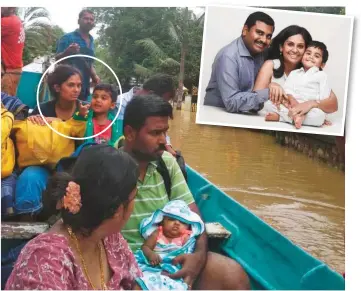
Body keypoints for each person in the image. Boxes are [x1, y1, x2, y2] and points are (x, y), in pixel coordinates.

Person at [121, 95, 250, 290]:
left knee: (233, 276)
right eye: (156, 133)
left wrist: (196, 259)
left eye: (165, 132)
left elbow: (194, 219)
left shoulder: (166, 162)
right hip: (125, 259)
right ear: (130, 133)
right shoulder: (109, 168)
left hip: (171, 253)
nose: (164, 141)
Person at [6, 145, 142, 290]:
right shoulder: (46, 260)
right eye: (134, 197)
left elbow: (136, 283)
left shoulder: (109, 238)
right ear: (117, 210)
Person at [15, 64, 83, 216]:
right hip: (44, 165)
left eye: (79, 85)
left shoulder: (84, 112)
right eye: (71, 85)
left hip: (75, 168)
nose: (76, 89)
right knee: (29, 177)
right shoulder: (43, 109)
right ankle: (27, 221)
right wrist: (32, 121)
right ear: (57, 88)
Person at [253, 25, 338, 120]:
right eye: (290, 44)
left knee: (318, 116)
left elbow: (333, 105)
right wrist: (270, 86)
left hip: (301, 119)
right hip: (272, 115)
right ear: (281, 47)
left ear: (306, 49)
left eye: (300, 46)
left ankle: (294, 118)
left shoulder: (310, 72)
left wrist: (311, 104)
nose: (295, 50)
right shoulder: (271, 65)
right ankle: (286, 117)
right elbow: (255, 100)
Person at [204, 11, 274, 113]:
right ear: (245, 30)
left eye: (268, 36)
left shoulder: (261, 51)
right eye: (259, 33)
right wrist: (269, 93)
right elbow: (231, 102)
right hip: (217, 114)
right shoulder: (228, 56)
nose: (264, 40)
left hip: (244, 114)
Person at [135, 200, 204, 290]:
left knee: (177, 285)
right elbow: (145, 247)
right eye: (171, 219)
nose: (177, 223)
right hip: (153, 265)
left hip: (172, 268)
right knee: (141, 281)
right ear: (162, 221)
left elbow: (188, 253)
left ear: (188, 226)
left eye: (182, 222)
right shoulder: (157, 233)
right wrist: (151, 254)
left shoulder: (186, 238)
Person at [264, 41, 332, 129]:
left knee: (319, 117)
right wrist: (291, 101)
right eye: (308, 53)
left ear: (322, 65)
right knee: (268, 104)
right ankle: (297, 118)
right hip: (290, 105)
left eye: (316, 56)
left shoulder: (322, 76)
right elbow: (287, 91)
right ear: (303, 56)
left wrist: (324, 116)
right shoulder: (294, 73)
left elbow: (324, 97)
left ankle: (281, 118)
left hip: (309, 109)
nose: (311, 57)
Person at [118, 73, 177, 156]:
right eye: (163, 100)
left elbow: (159, 128)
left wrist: (167, 145)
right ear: (151, 94)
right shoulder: (120, 103)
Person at [55, 9, 100, 101]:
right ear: (79, 21)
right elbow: (57, 60)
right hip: (68, 85)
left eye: (91, 19)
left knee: (80, 113)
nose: (89, 21)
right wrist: (67, 52)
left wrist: (95, 77)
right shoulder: (67, 38)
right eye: (86, 18)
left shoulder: (91, 40)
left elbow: (89, 62)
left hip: (84, 87)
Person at [1, 7, 25, 96]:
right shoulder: (15, 20)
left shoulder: (7, 22)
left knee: (4, 105)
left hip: (9, 72)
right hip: (13, 71)